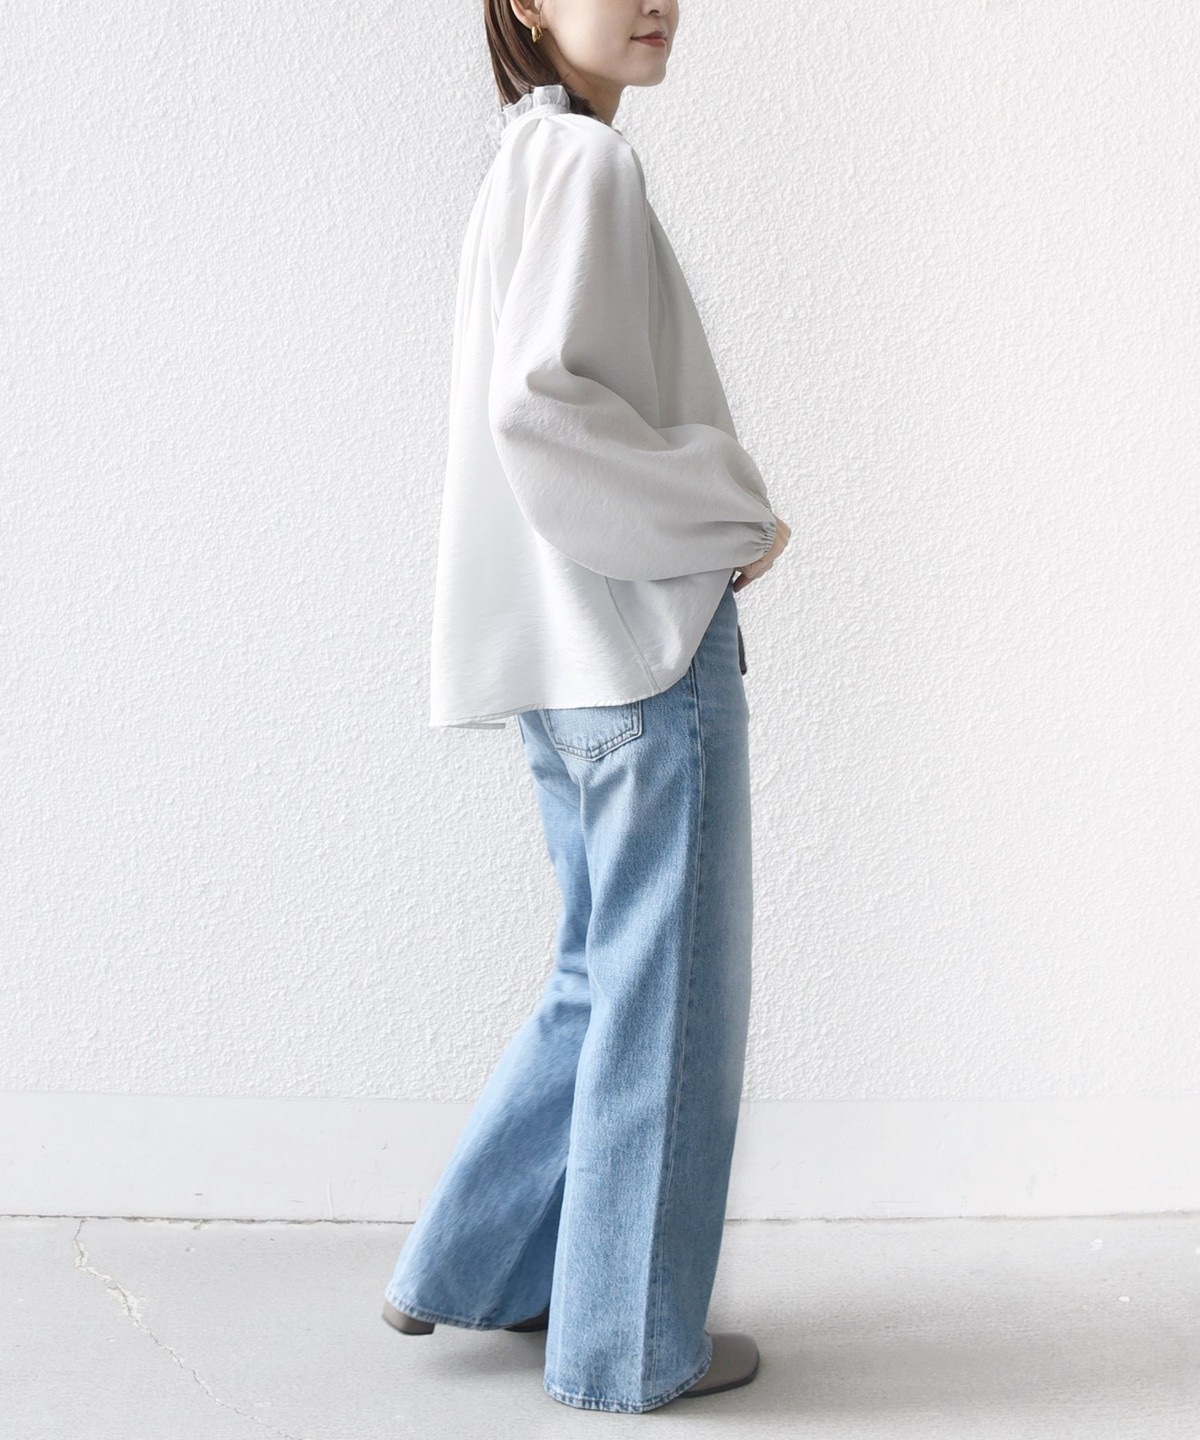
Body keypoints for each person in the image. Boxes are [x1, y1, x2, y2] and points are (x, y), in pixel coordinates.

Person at [382, 0, 791, 1415]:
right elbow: (541, 409)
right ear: (526, 5)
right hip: (640, 651)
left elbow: (522, 410)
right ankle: (626, 1345)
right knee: (667, 1001)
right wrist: (732, 514)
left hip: (564, 662)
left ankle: (475, 1261)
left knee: (600, 976)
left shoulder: (527, 158)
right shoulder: (587, 164)